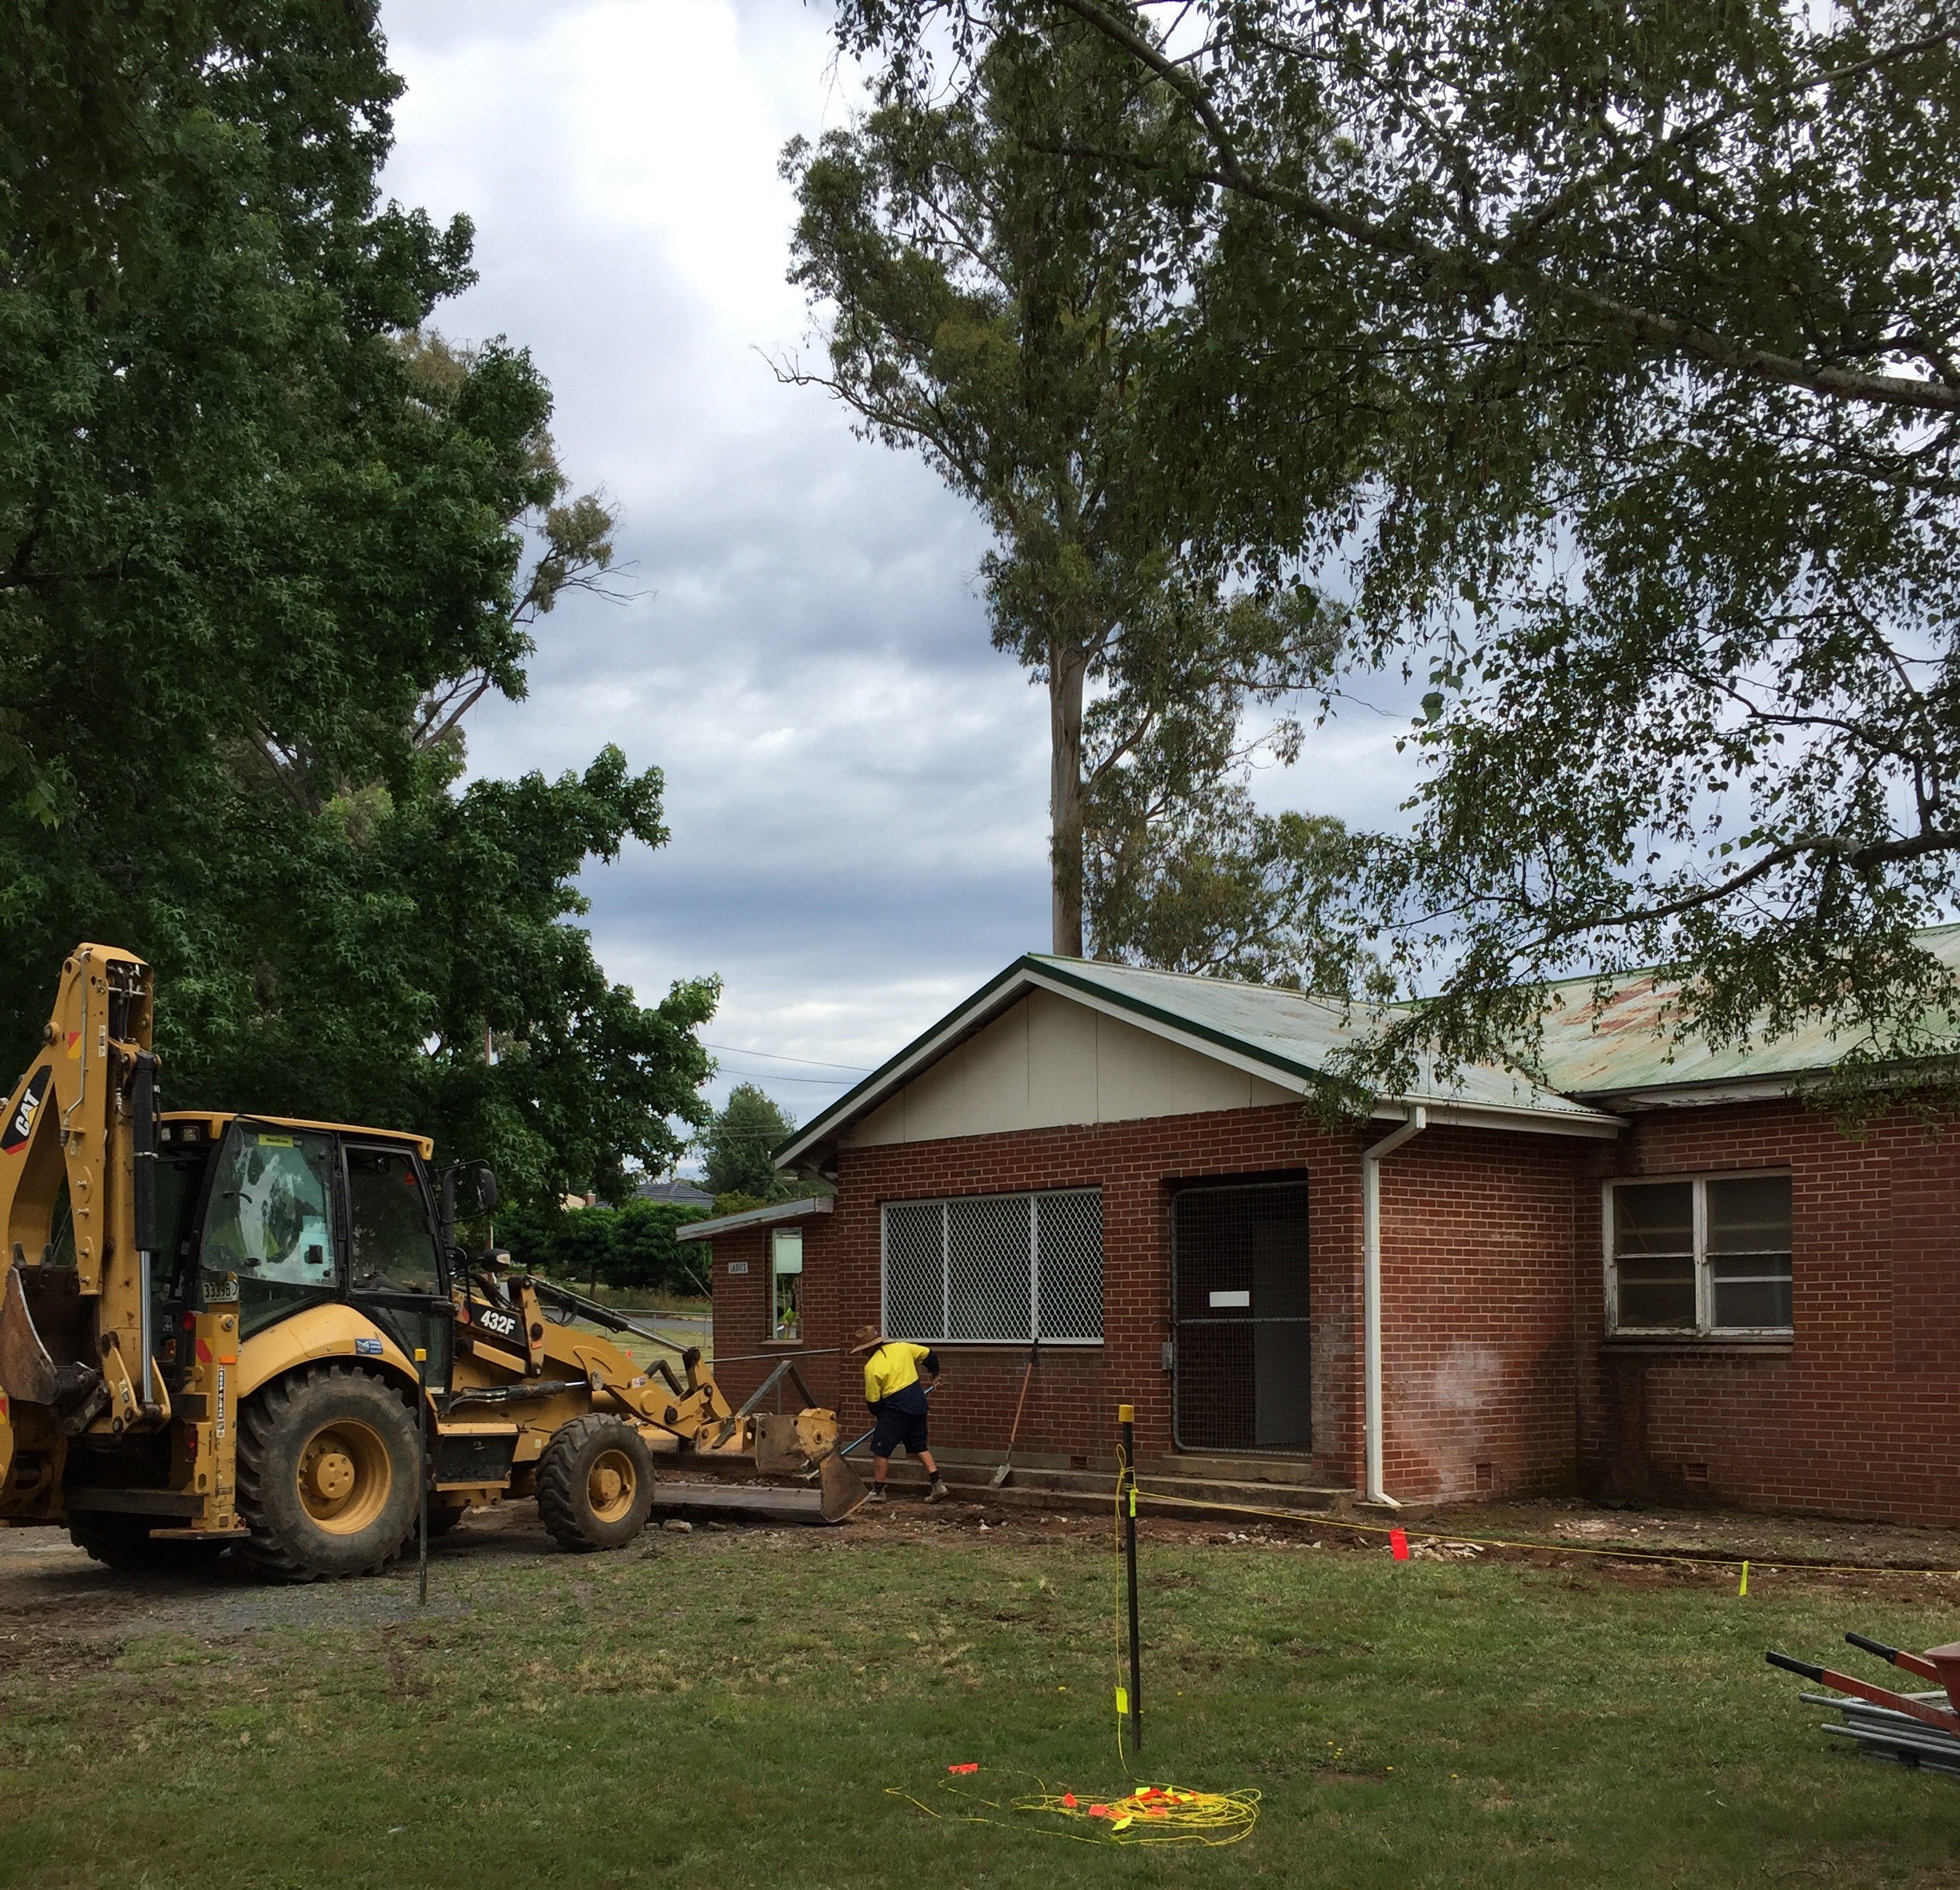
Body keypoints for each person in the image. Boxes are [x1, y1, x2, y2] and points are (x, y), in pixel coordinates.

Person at [851, 1323, 949, 1503]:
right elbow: (930, 1355)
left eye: (863, 1350)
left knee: (881, 1449)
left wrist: (884, 1420)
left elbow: (873, 1403)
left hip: (895, 1408)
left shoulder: (871, 1367)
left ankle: (879, 1491)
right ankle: (937, 1484)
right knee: (919, 1446)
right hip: (918, 1403)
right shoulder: (903, 1347)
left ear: (869, 1347)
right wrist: (935, 1375)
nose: (863, 1353)